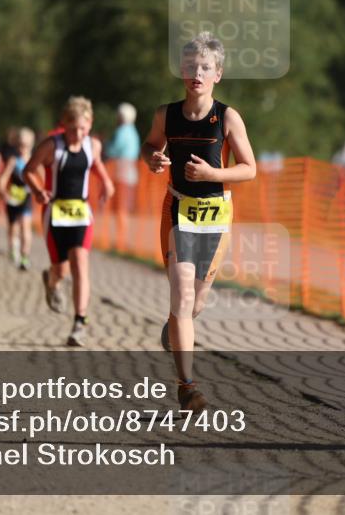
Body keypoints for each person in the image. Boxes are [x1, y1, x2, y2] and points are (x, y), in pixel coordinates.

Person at [140, 31, 256, 412]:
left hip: (216, 214)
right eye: (191, 66)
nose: (197, 73)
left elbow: (249, 168)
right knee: (183, 295)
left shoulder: (227, 117)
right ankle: (187, 385)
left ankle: (176, 326)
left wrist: (212, 176)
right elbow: (150, 144)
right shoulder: (166, 114)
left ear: (217, 74)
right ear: (181, 71)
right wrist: (153, 159)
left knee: (198, 301)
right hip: (178, 211)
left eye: (205, 67)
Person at [25, 97, 114, 347]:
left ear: (90, 125)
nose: (77, 134)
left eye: (83, 129)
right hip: (54, 212)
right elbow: (28, 170)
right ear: (63, 123)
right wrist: (37, 190)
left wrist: (106, 182)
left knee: (80, 263)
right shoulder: (52, 146)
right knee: (61, 270)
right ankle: (52, 281)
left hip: (81, 213)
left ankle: (79, 322)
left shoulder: (92, 145)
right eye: (72, 128)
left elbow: (95, 164)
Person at [104, 102, 142, 251]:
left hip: (121, 174)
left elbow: (113, 150)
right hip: (131, 173)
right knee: (124, 208)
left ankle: (121, 241)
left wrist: (104, 146)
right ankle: (122, 239)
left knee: (120, 208)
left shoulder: (122, 131)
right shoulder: (133, 131)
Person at [0, 127, 35, 270]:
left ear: (31, 145)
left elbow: (42, 178)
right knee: (13, 228)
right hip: (12, 199)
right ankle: (13, 248)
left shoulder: (33, 161)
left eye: (25, 145)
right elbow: (3, 179)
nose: (22, 148)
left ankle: (25, 257)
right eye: (19, 145)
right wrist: (3, 193)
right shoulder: (13, 161)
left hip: (26, 198)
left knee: (26, 227)